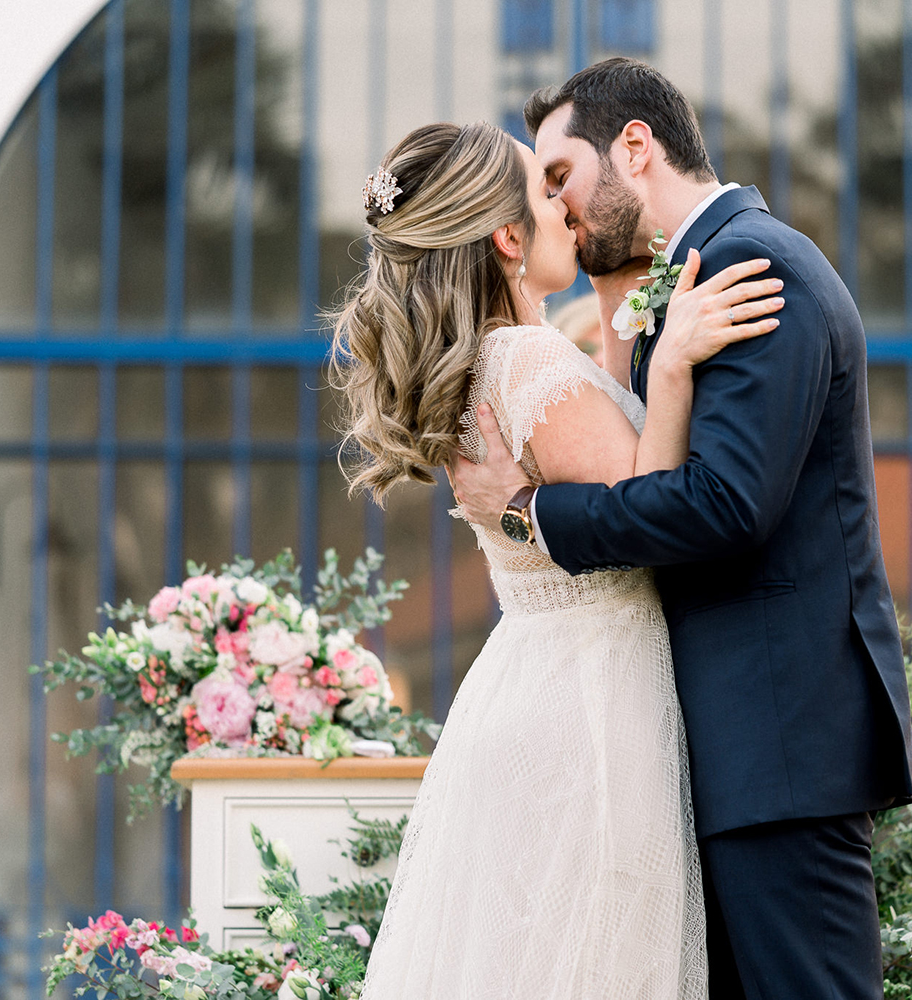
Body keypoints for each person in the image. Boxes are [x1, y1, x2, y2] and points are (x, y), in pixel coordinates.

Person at [450, 58, 912, 1000]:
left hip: (778, 741)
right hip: (736, 743)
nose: (558, 207)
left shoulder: (756, 264)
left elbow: (723, 505)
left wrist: (527, 512)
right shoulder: (690, 278)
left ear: (635, 146)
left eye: (559, 176)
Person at [330, 120, 783, 998]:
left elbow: (594, 440)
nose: (568, 214)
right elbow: (649, 508)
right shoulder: (526, 356)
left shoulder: (487, 363)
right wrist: (681, 361)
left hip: (534, 677)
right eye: (548, 194)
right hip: (592, 693)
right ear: (507, 237)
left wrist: (628, 321)